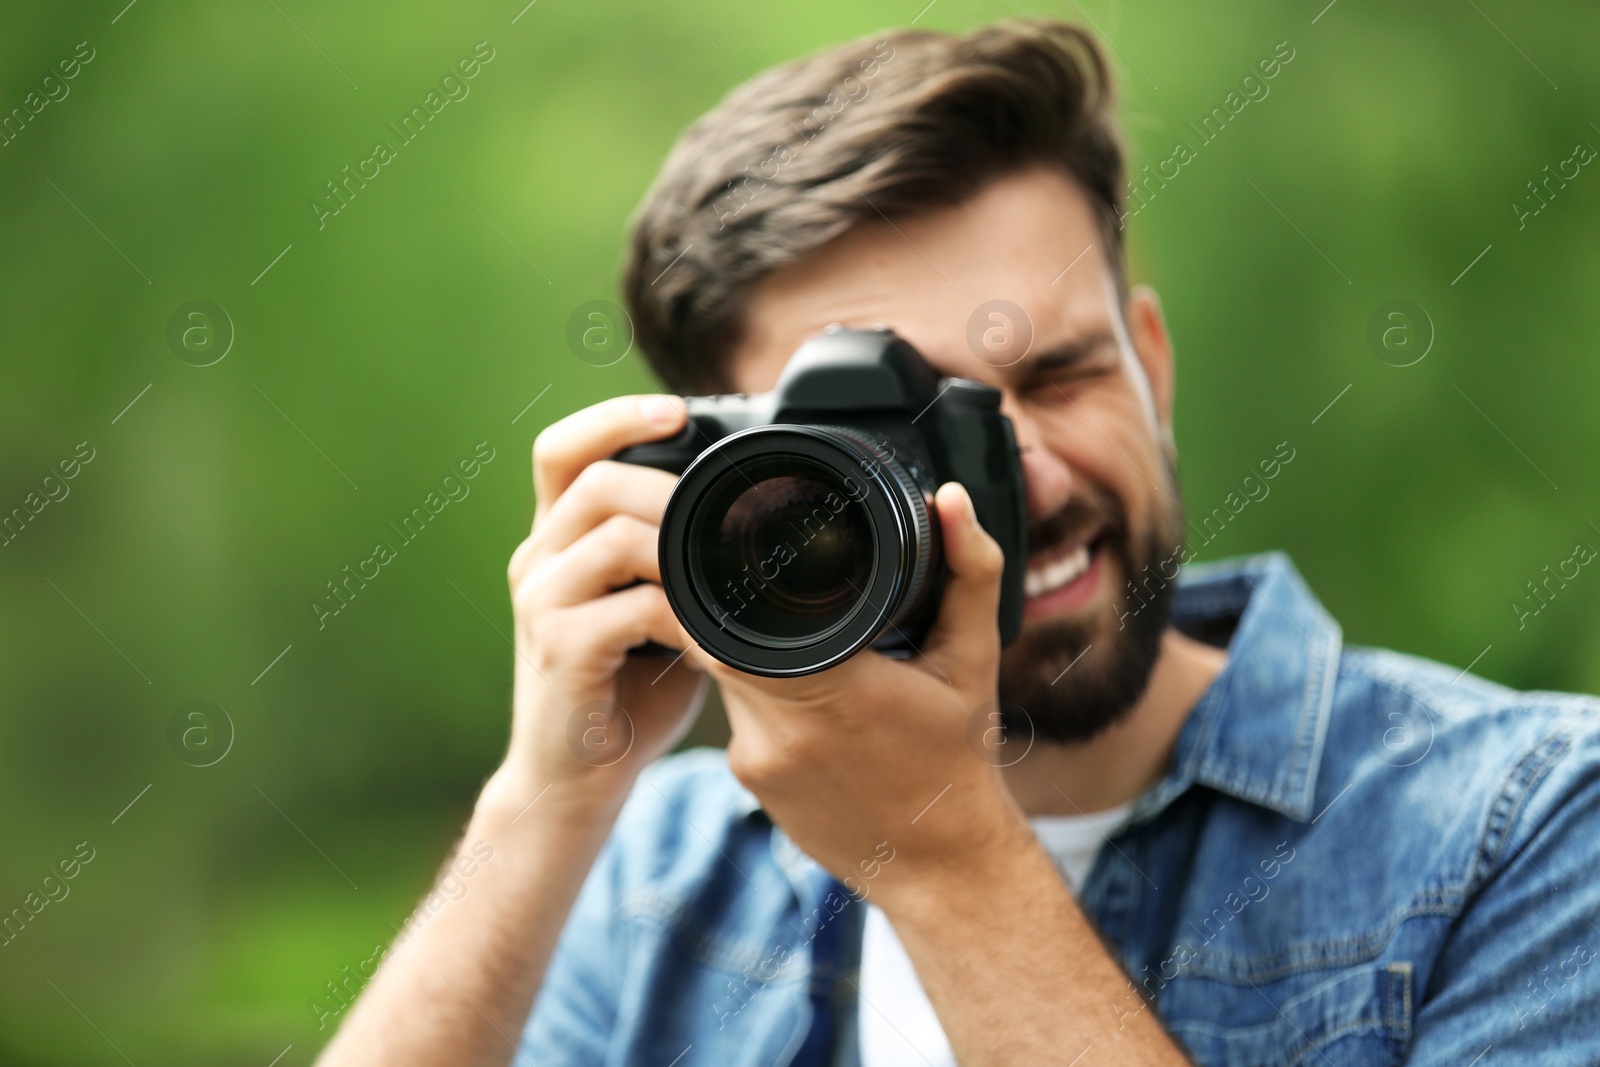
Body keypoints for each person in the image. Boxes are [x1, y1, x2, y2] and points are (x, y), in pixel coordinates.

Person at [315, 19, 1600, 1067]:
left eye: (1057, 375)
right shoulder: (661, 874)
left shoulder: (1527, 822)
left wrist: (940, 850)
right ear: (724, 484)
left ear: (1151, 365)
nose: (1016, 477)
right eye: (897, 434)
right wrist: (545, 803)